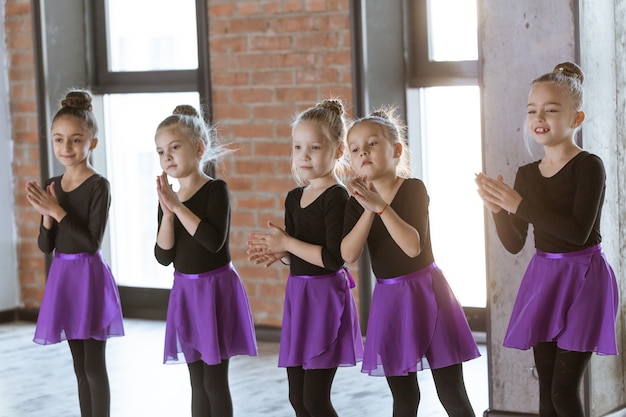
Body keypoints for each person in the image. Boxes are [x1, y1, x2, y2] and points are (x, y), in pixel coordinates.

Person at [475, 62, 618, 417]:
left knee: (563, 393)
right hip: (544, 281)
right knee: (546, 391)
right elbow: (514, 243)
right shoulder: (526, 175)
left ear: (576, 118)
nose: (540, 117)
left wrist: (518, 204)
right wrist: (497, 209)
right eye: (532, 110)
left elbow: (576, 232)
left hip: (585, 281)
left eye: (551, 110)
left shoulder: (589, 166)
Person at [341, 107, 479, 417]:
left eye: (372, 144)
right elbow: (348, 255)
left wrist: (381, 207)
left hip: (429, 294)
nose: (363, 152)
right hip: (390, 301)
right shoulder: (355, 203)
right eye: (355, 148)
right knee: (404, 399)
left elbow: (412, 247)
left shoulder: (413, 189)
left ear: (396, 150)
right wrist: (367, 208)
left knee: (451, 392)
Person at [247, 99, 363, 417]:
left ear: (338, 151)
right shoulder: (294, 197)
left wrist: (287, 243)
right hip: (299, 297)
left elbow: (332, 259)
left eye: (314, 147)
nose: (304, 156)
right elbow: (295, 252)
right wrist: (281, 252)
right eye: (298, 147)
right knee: (297, 399)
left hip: (325, 299)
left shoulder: (336, 196)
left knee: (315, 400)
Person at [25, 90, 125, 417]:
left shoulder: (99, 186)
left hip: (89, 279)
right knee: (79, 367)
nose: (65, 148)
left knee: (94, 366)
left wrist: (56, 210)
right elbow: (46, 245)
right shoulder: (53, 183)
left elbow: (91, 242)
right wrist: (46, 213)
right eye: (58, 140)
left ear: (92, 143)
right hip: (63, 278)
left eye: (75, 140)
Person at [154, 105, 257, 417]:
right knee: (196, 382)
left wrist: (177, 207)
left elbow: (213, 242)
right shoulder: (168, 197)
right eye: (160, 151)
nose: (167, 157)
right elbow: (162, 255)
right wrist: (168, 214)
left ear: (198, 148)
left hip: (215, 292)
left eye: (174, 148)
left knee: (214, 380)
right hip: (186, 292)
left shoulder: (216, 190)